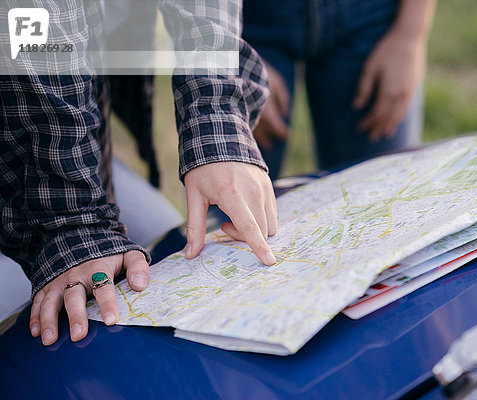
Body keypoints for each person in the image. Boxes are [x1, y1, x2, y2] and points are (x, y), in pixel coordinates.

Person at [0, 0, 276, 346]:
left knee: (161, 250)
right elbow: (30, 31)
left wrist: (216, 116)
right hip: (19, 137)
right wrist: (71, 224)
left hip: (72, 125)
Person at [243, 0, 436, 178]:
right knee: (233, 207)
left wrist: (409, 33)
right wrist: (231, 55)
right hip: (244, 19)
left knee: (381, 197)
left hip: (373, 19)